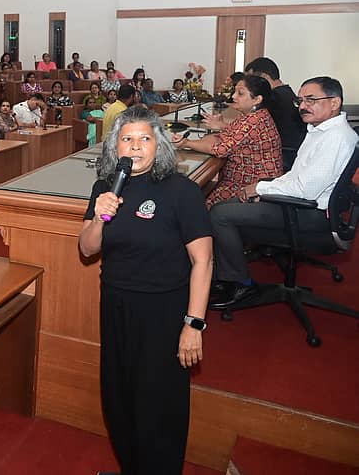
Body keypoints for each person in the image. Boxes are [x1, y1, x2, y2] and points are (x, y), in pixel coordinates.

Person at [79, 106, 212, 475]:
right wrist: (100, 217)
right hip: (116, 305)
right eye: (127, 139)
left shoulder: (182, 191)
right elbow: (87, 249)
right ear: (115, 147)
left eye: (145, 139)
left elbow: (203, 261)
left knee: (158, 403)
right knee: (118, 395)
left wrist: (194, 324)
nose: (135, 146)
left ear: (159, 145)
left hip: (164, 311)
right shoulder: (105, 188)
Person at [211, 77, 357, 307]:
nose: (303, 106)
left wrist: (260, 187)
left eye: (311, 100)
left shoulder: (335, 138)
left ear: (334, 103)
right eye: (300, 101)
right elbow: (296, 176)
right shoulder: (320, 130)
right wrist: (266, 188)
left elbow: (306, 190)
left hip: (311, 214)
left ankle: (240, 284)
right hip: (301, 204)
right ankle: (225, 276)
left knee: (220, 215)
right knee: (226, 206)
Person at [174, 76, 284, 208]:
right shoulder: (252, 115)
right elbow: (225, 135)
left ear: (257, 99)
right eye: (235, 91)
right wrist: (219, 127)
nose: (233, 96)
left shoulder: (253, 121)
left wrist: (186, 143)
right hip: (247, 179)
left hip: (251, 187)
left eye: (240, 93)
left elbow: (221, 149)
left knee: (198, 205)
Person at [243, 57, 306, 169]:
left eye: (252, 80)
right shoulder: (286, 92)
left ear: (264, 77)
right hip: (291, 153)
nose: (250, 85)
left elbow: (252, 128)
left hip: (283, 156)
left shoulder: (274, 97)